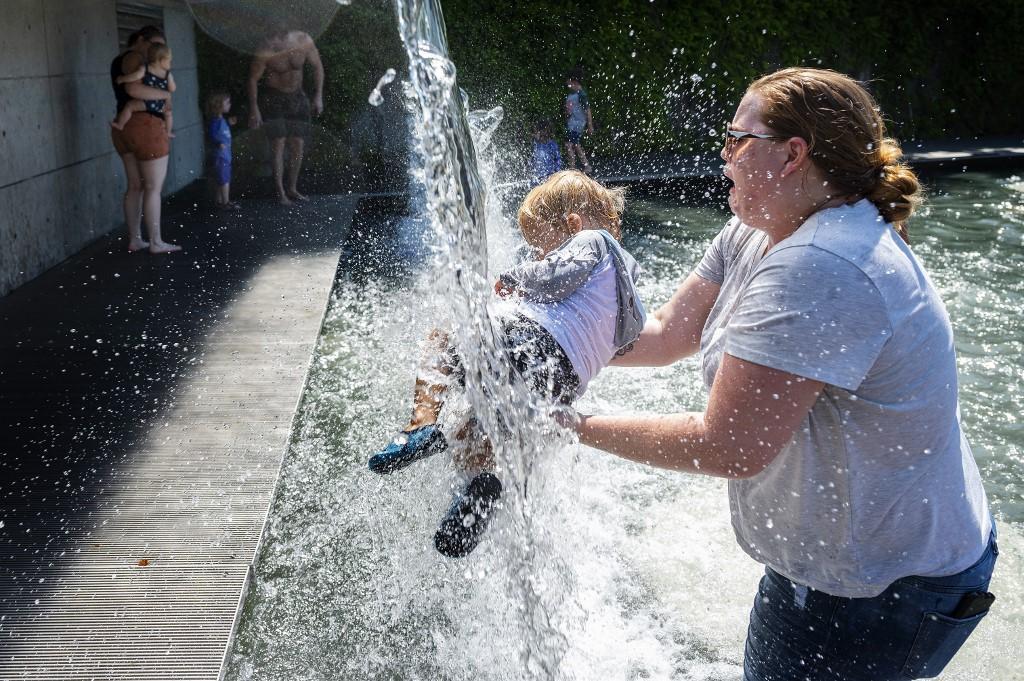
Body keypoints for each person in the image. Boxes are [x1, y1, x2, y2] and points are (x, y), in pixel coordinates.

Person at [570, 67, 995, 681]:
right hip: (843, 568)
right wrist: (542, 345)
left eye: (736, 138)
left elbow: (728, 445)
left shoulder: (824, 265)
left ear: (793, 154)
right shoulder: (756, 226)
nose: (723, 155)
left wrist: (567, 423)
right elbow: (666, 333)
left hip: (885, 591)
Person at [368, 171, 646, 558]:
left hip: (528, 345)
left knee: (445, 334)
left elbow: (559, 274)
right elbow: (622, 343)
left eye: (540, 248)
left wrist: (513, 278)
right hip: (559, 384)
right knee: (482, 427)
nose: (537, 256)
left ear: (573, 225)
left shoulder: (592, 240)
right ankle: (484, 482)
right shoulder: (628, 291)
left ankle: (421, 425)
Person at [110, 26, 181, 254]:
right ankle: (156, 242)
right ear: (141, 40)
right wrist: (165, 95)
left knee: (135, 186)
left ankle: (136, 239)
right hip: (145, 126)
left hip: (125, 128)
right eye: (153, 45)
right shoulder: (136, 59)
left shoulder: (118, 60)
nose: (156, 51)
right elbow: (133, 89)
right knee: (152, 188)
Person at [247, 26, 324, 205]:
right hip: (274, 99)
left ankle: (292, 188)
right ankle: (280, 191)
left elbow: (318, 66)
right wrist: (254, 108)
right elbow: (253, 79)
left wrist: (318, 96)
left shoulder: (303, 40)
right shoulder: (266, 48)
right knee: (278, 144)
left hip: (298, 97)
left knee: (298, 144)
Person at [111, 43, 176, 138]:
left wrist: (122, 79)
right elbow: (172, 89)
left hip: (147, 102)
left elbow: (135, 77)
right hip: (161, 104)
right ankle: (168, 132)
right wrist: (171, 85)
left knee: (129, 106)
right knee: (168, 115)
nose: (171, 63)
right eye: (169, 61)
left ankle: (120, 125)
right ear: (162, 61)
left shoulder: (144, 68)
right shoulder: (167, 74)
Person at [205, 91, 238, 210]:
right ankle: (226, 202)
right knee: (224, 179)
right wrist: (218, 143)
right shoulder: (215, 121)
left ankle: (219, 201)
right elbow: (212, 134)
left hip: (225, 154)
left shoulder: (221, 120)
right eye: (227, 102)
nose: (230, 104)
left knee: (221, 178)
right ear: (219, 105)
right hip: (221, 155)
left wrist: (229, 124)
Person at [563, 68, 594, 174]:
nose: (567, 84)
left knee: (569, 144)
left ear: (574, 82)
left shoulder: (581, 95)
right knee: (575, 144)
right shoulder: (572, 95)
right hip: (572, 124)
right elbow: (568, 113)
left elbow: (587, 110)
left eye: (569, 82)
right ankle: (585, 165)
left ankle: (572, 167)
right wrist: (567, 110)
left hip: (577, 125)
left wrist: (590, 126)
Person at [530, 119, 562, 184]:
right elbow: (532, 161)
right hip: (537, 178)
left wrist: (556, 174)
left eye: (545, 131)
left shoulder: (552, 145)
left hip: (550, 177)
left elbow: (558, 161)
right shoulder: (535, 144)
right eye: (537, 132)